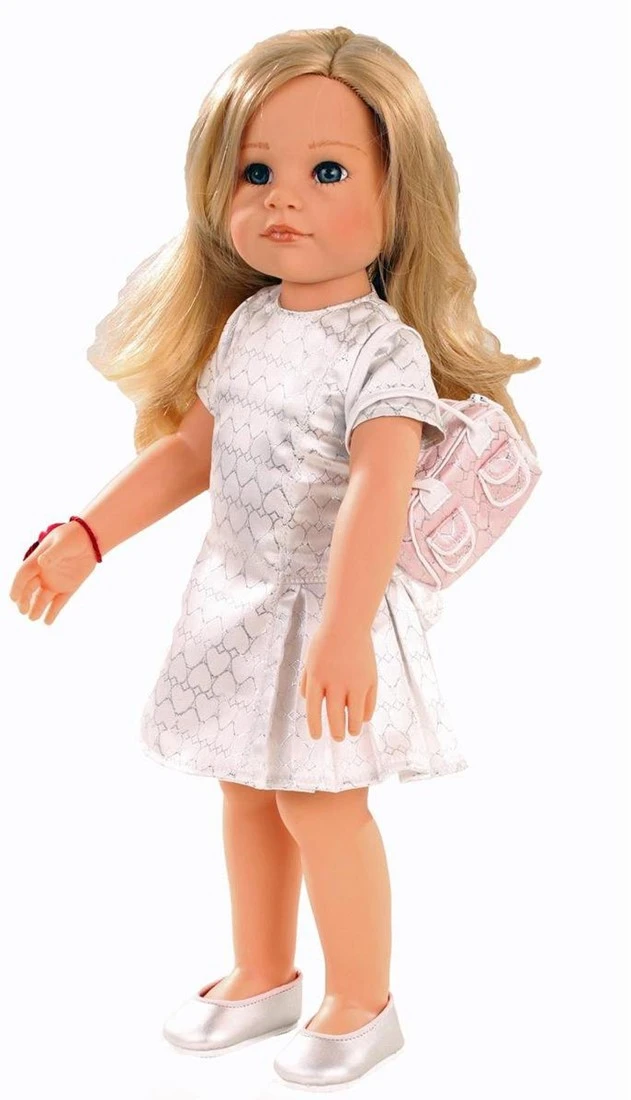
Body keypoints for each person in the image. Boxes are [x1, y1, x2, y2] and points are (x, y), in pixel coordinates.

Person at [8, 26, 540, 1089]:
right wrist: (88, 534)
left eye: (326, 171)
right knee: (246, 791)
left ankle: (362, 998)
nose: (281, 197)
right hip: (238, 602)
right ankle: (263, 969)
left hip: (325, 611)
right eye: (256, 173)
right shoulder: (250, 324)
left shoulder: (380, 349)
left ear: (399, 193)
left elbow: (378, 489)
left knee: (320, 802)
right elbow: (190, 451)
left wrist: (345, 629)